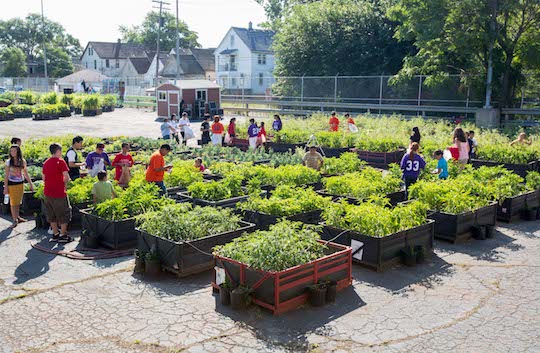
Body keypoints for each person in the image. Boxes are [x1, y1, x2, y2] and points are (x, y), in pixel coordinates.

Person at [42, 143, 72, 243]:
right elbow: (66, 177)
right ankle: (63, 235)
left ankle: (55, 234)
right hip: (59, 192)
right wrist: (65, 183)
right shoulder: (61, 162)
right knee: (64, 213)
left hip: (48, 192)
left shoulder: (46, 162)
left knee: (51, 214)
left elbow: (44, 178)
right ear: (58, 151)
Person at [3, 145, 33, 228]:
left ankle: (17, 216)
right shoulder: (8, 162)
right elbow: (6, 175)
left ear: (18, 152)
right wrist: (5, 187)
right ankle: (14, 219)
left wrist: (30, 183)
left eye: (14, 151)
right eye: (11, 151)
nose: (13, 153)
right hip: (11, 183)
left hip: (20, 183)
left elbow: (25, 173)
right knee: (13, 202)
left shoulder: (22, 161)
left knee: (18, 201)